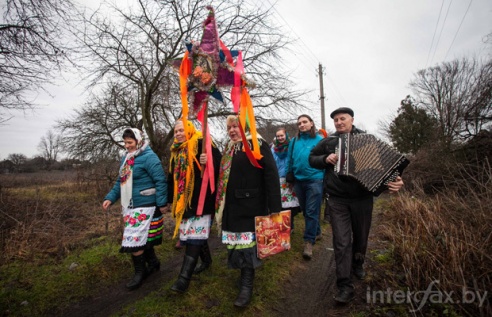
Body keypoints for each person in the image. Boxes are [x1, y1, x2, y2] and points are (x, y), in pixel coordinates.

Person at [309, 107, 404, 304]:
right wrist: (325, 159)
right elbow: (311, 159)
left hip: (362, 199)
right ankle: (344, 285)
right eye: (335, 120)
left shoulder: (368, 140)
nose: (338, 122)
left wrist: (397, 179)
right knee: (342, 242)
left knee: (361, 237)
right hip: (337, 199)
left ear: (352, 119)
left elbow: (384, 166)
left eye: (342, 118)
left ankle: (358, 263)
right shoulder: (328, 142)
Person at [216, 115, 281, 308]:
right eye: (229, 128)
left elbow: (271, 174)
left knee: (247, 248)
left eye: (235, 127)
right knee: (237, 246)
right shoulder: (229, 148)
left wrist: (275, 207)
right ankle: (243, 274)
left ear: (244, 128)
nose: (232, 131)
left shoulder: (257, 143)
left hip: (250, 206)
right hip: (232, 207)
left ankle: (246, 285)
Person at [102, 128, 168, 291]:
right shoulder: (127, 158)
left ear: (138, 140)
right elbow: (120, 181)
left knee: (133, 240)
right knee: (141, 237)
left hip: (146, 204)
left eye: (130, 142)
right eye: (125, 143)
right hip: (130, 205)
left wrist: (162, 203)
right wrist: (110, 197)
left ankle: (140, 272)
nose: (127, 146)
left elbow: (160, 180)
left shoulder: (149, 157)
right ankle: (153, 263)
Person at [167, 119, 221, 293]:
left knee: (194, 237)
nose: (178, 134)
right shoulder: (176, 151)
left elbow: (221, 164)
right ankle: (206, 261)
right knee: (192, 234)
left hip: (201, 200)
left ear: (189, 129)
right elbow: (171, 178)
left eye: (181, 130)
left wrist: (209, 159)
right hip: (184, 202)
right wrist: (169, 200)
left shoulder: (202, 142)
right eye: (176, 131)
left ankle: (183, 280)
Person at [286, 114, 324, 260]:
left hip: (315, 179)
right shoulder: (295, 141)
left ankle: (309, 242)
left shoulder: (320, 140)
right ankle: (317, 231)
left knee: (311, 210)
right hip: (298, 180)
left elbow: (326, 160)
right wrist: (290, 175)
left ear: (311, 123)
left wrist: (324, 180)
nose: (301, 125)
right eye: (299, 123)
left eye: (304, 122)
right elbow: (290, 159)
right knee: (306, 211)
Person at [271, 127, 301, 230]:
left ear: (286, 135)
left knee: (290, 205)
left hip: (289, 179)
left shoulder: (292, 146)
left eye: (282, 135)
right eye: (278, 136)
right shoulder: (273, 149)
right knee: (280, 205)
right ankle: (282, 225)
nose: (280, 138)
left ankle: (290, 225)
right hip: (277, 180)